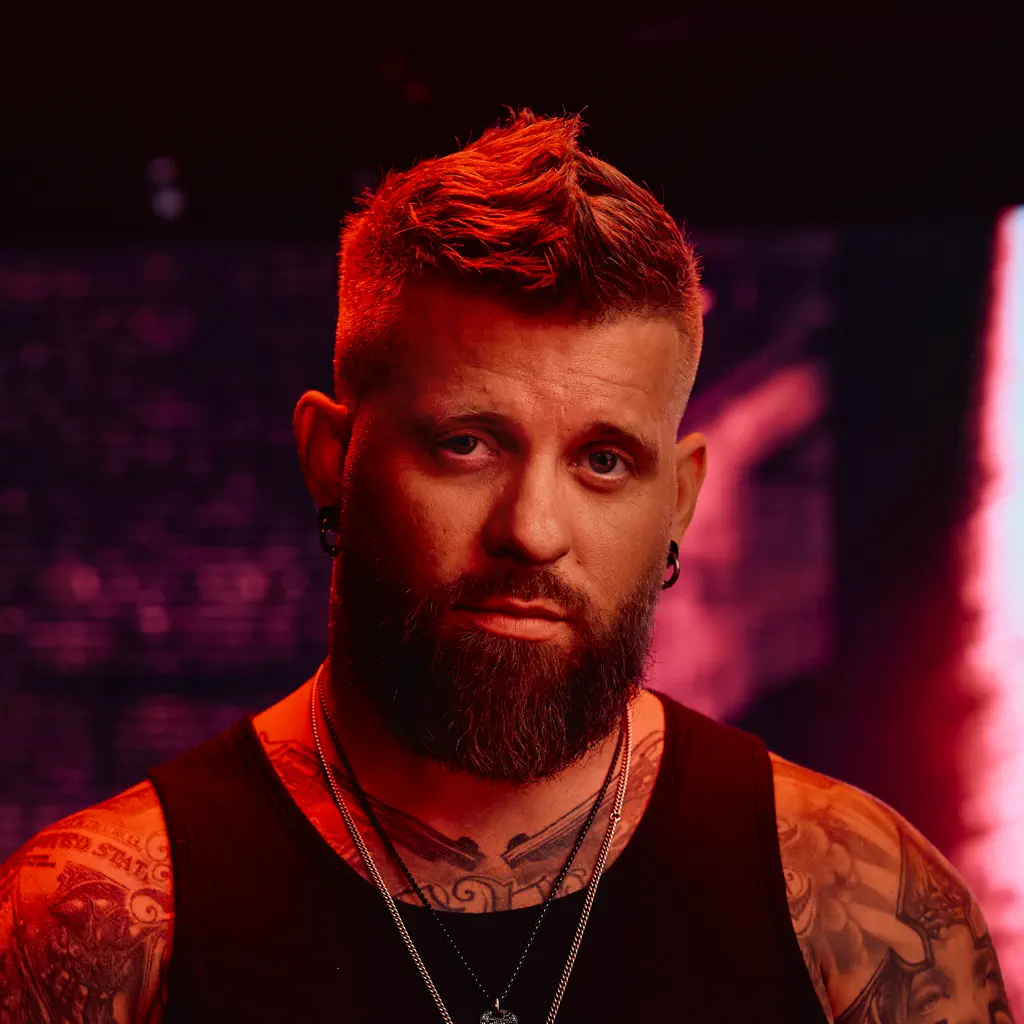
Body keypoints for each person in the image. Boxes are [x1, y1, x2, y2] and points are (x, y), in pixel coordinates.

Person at [0, 109, 1014, 1023]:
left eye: (602, 461)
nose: (532, 530)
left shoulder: (859, 911)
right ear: (329, 458)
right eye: (466, 445)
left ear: (678, 499)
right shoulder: (100, 926)